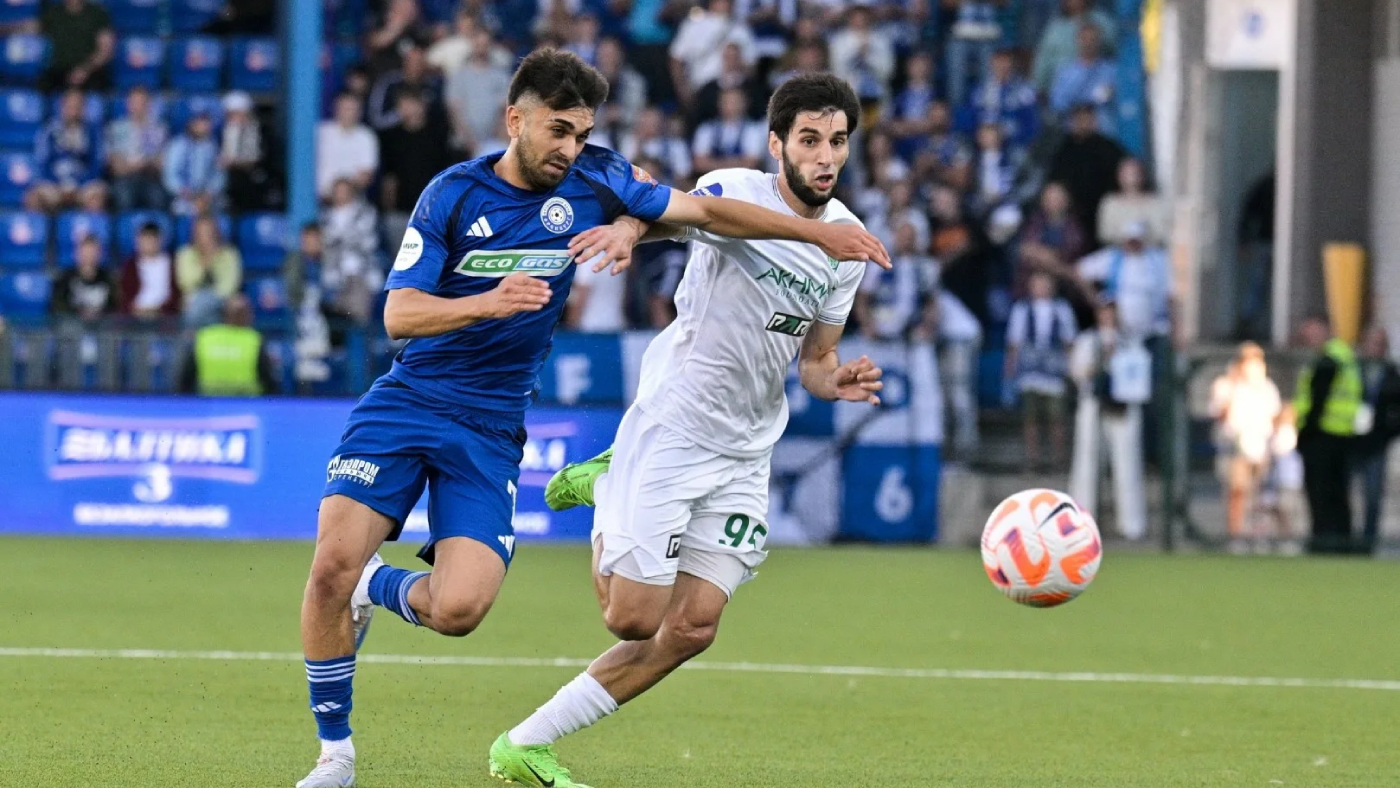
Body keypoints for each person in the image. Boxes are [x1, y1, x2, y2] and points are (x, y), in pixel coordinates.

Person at [295, 51, 887, 788]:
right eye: (559, 131)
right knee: (330, 567)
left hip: (493, 424)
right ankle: (336, 756)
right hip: (412, 400)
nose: (571, 148)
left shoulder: (599, 176)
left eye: (581, 133)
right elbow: (398, 315)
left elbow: (689, 216)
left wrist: (830, 354)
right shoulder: (452, 192)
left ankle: (381, 591)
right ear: (515, 120)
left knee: (461, 610)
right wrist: (489, 300)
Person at [500, 73, 885, 788]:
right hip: (678, 422)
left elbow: (815, 359)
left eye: (837, 141)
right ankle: (608, 481)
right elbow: (668, 216)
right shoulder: (735, 190)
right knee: (630, 618)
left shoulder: (846, 242)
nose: (825, 155)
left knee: (693, 627)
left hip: (748, 448)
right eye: (808, 139)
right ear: (777, 144)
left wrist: (836, 381)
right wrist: (626, 228)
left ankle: (525, 744)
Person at [1069, 299, 1150, 539]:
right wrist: (1099, 362)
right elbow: (1078, 372)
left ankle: (1131, 525)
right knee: (1087, 462)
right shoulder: (1088, 341)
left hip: (1122, 406)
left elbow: (1138, 374)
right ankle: (1082, 523)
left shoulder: (1130, 342)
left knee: (1127, 463)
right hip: (1094, 403)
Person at [1292, 316, 1362, 554]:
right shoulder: (1346, 356)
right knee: (1338, 493)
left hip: (1322, 435)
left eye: (1313, 332)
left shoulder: (1328, 359)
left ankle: (1323, 541)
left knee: (1320, 493)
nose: (1309, 338)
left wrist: (1304, 433)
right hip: (1343, 434)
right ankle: (1342, 542)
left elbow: (1317, 400)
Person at [1208, 342, 1282, 552]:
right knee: (1237, 493)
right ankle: (1236, 537)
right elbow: (1218, 413)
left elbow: (1275, 415)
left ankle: (1258, 536)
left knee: (1260, 495)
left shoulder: (1267, 387)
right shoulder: (1226, 385)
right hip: (1235, 448)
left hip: (1261, 448)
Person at [1005, 271, 1078, 473]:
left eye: (1045, 284)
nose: (1041, 288)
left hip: (1054, 373)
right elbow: (1014, 342)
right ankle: (1032, 460)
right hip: (1029, 373)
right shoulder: (1022, 309)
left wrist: (1072, 369)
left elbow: (1069, 342)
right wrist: (1010, 370)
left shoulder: (1062, 309)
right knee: (1031, 419)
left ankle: (1058, 460)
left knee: (1057, 418)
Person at [1353, 325, 1400, 551]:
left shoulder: (1391, 373)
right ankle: (1345, 539)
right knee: (1346, 494)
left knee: (1373, 496)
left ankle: (1368, 542)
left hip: (1376, 444)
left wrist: (1387, 432)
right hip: (1351, 441)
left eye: (1380, 344)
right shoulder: (1353, 368)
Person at [177, 294, 279, 396]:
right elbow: (269, 381)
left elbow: (185, 379)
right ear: (245, 315)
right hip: (247, 402)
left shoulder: (204, 337)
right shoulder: (254, 340)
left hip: (208, 402)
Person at [175, 215, 242, 328]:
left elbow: (230, 286)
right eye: (201, 232)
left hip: (221, 302)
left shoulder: (229, 254)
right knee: (194, 305)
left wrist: (214, 258)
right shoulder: (185, 254)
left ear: (216, 233)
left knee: (234, 304)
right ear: (195, 234)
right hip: (193, 302)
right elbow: (186, 283)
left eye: (209, 232)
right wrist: (204, 265)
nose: (206, 236)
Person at [51, 235, 117, 324]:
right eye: (85, 252)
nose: (88, 256)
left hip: (102, 326)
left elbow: (115, 306)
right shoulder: (64, 279)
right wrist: (79, 312)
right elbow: (58, 305)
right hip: (73, 325)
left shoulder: (108, 279)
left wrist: (98, 313)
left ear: (99, 254)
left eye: (92, 252)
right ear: (77, 254)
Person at [120, 221, 179, 319]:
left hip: (164, 316)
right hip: (135, 316)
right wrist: (135, 309)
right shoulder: (130, 266)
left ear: (160, 240)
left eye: (151, 239)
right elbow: (125, 295)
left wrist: (159, 310)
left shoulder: (170, 263)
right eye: (145, 239)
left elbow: (175, 294)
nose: (148, 243)